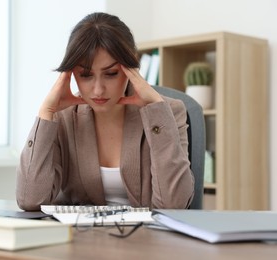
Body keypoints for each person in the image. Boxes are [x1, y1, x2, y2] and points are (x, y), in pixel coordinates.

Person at [17, 12, 194, 211]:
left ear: (131, 68)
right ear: (71, 73)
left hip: (147, 239)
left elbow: (174, 204)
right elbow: (30, 200)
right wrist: (46, 112)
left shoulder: (169, 112)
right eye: (85, 75)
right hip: (80, 238)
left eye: (111, 74)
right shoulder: (62, 117)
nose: (98, 90)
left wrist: (156, 109)